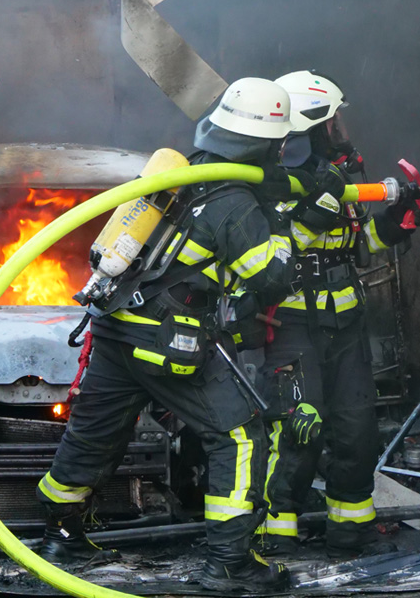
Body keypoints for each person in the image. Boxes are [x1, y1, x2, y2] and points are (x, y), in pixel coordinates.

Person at [37, 77, 330, 592]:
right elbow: (270, 277)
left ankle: (60, 537)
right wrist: (283, 220)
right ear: (272, 143)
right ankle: (230, 564)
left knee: (93, 434)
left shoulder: (184, 173)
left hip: (116, 330)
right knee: (239, 438)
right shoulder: (234, 201)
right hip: (166, 341)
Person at [256, 70, 420, 559]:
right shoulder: (269, 182)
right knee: (299, 429)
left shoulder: (336, 180)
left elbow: (356, 244)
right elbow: (274, 255)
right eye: (333, 123)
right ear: (310, 127)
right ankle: (276, 535)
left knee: (357, 432)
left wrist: (398, 223)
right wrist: (317, 206)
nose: (341, 133)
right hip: (290, 327)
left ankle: (350, 532)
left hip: (346, 325)